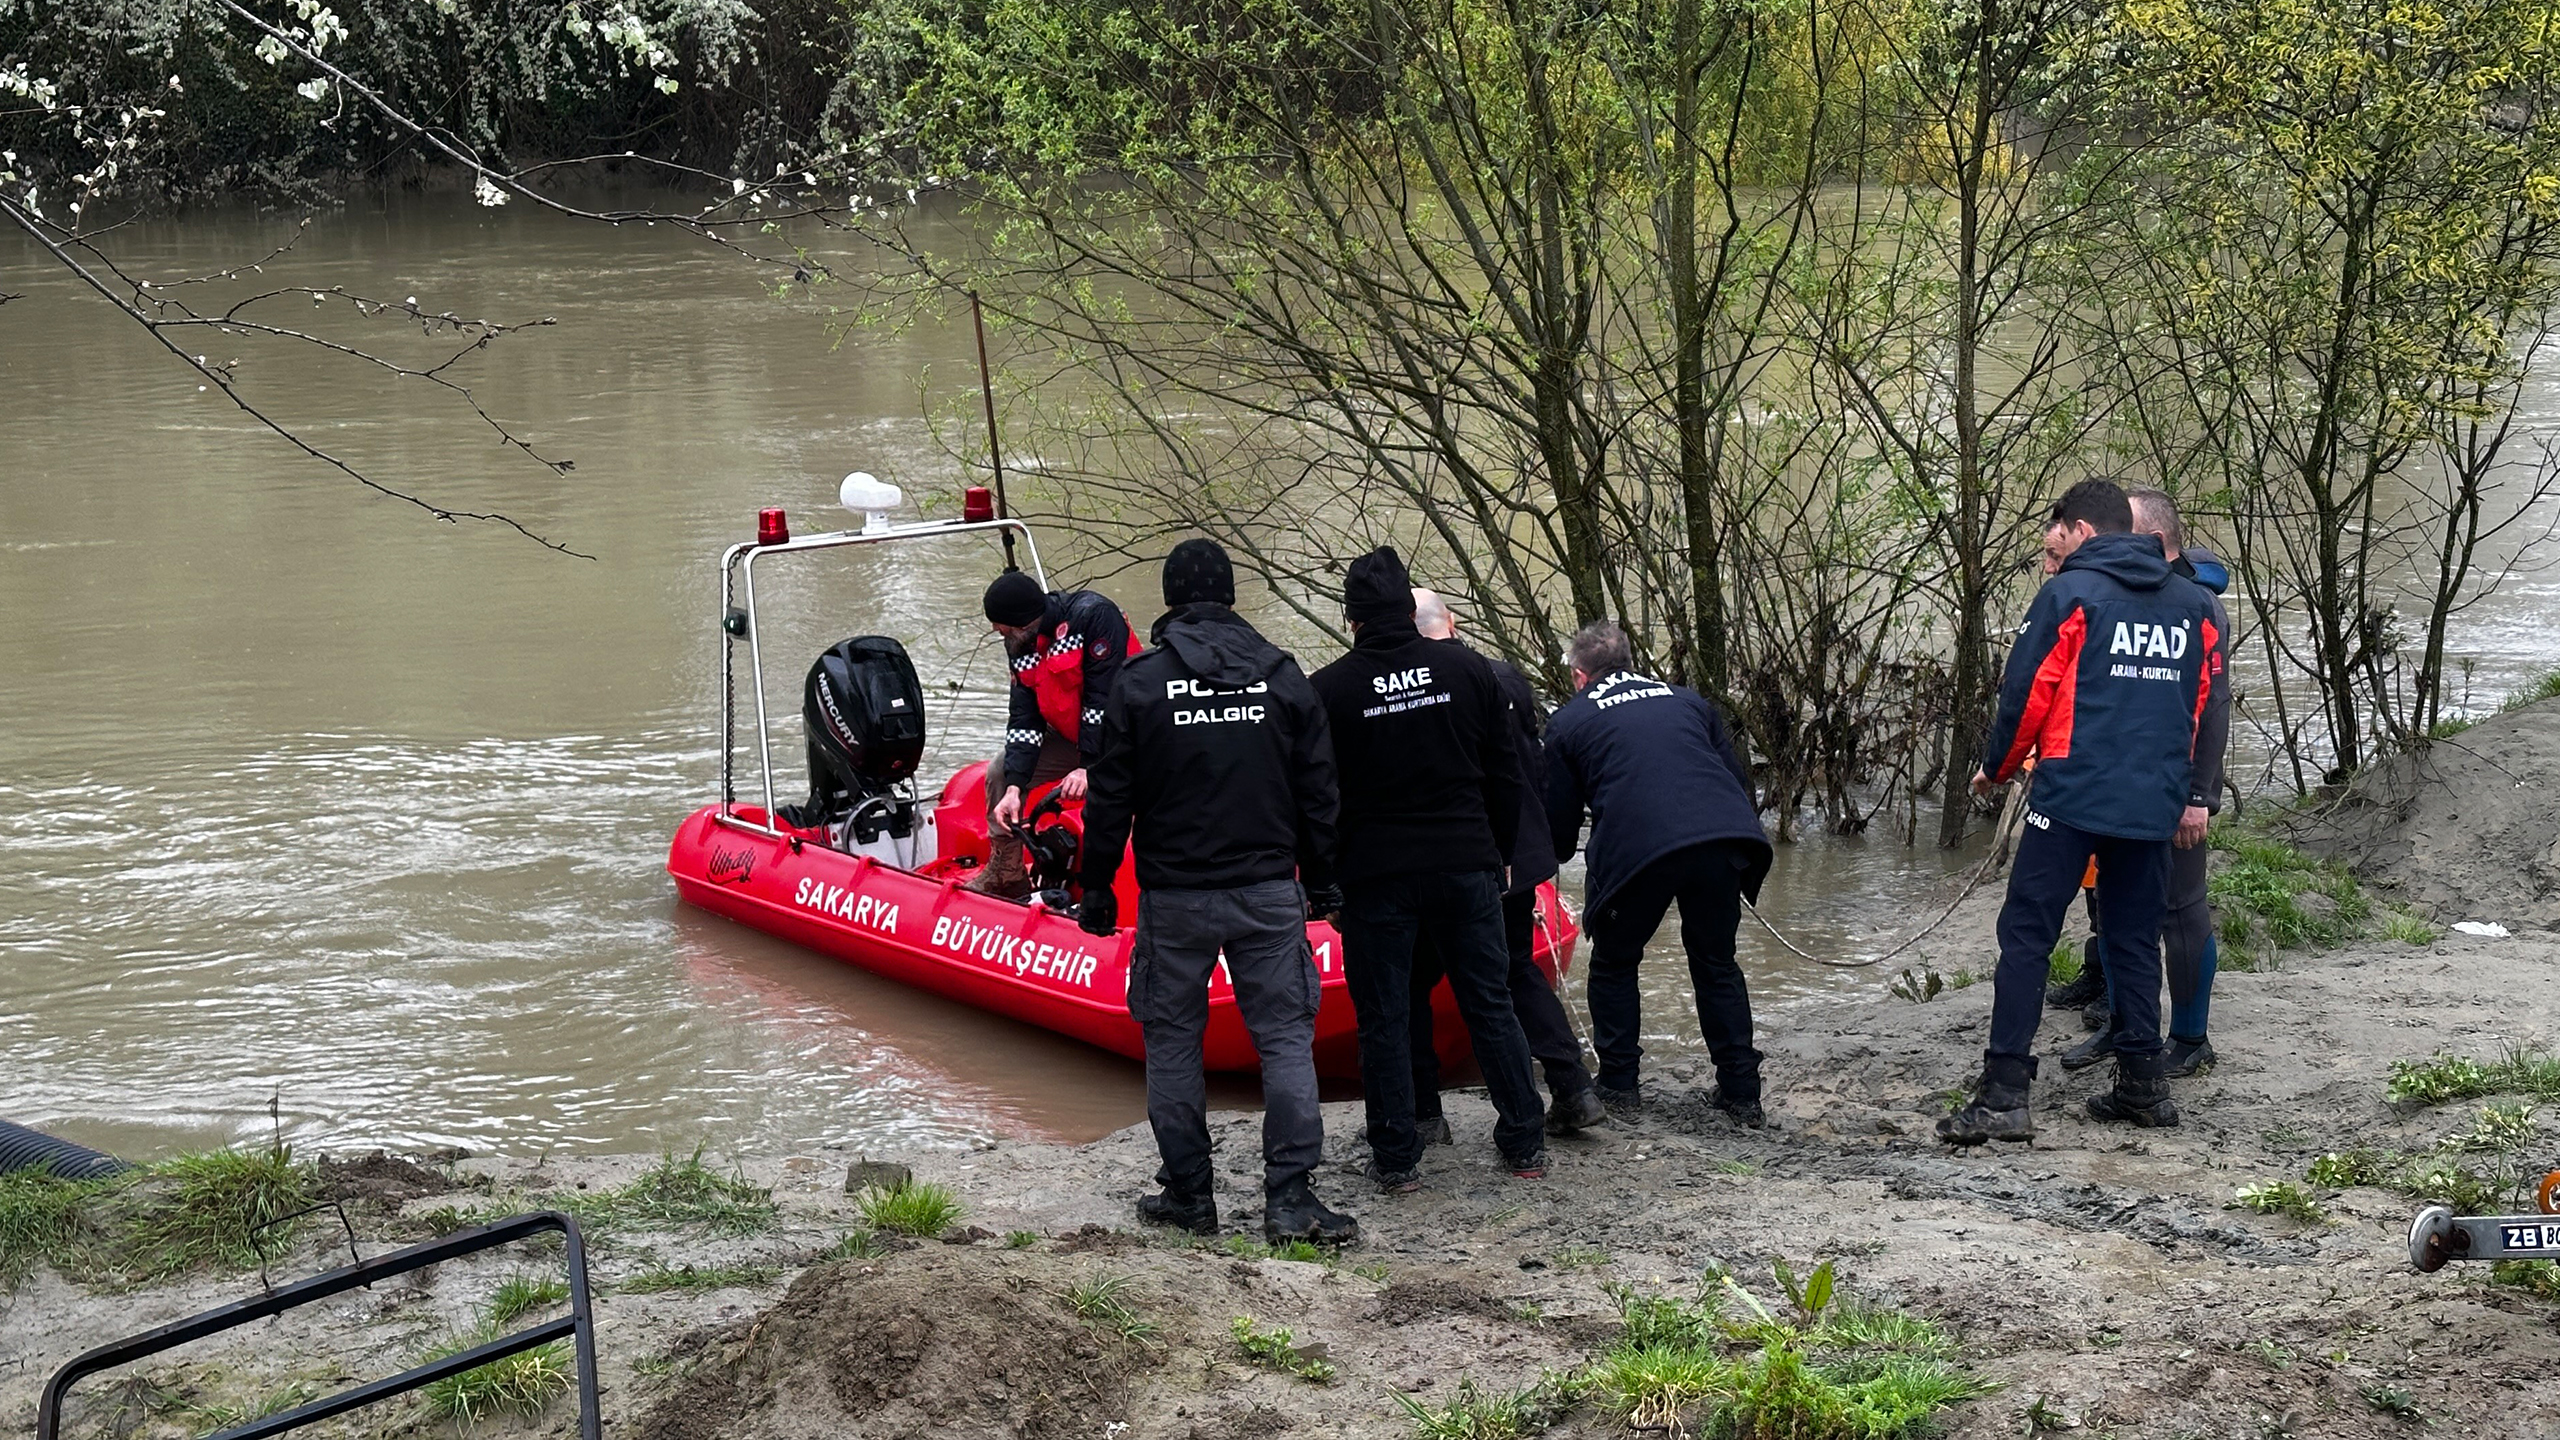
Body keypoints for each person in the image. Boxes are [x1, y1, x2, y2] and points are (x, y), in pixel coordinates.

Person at [1076, 538, 1357, 1245]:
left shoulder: (1141, 684)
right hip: (1267, 891)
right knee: (1285, 1040)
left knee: (1173, 1042)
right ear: (1230, 596)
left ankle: (1189, 1196)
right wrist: (1324, 880)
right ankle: (1290, 1199)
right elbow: (1320, 792)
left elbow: (1109, 799)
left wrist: (1097, 887)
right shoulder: (1282, 676)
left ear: (1170, 600)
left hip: (1175, 898)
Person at [1939, 478, 2220, 1144]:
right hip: (2151, 801)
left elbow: (2027, 691)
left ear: (2083, 531)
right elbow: (2203, 705)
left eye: (2055, 539)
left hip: (2070, 797)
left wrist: (1997, 768)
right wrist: (2187, 791)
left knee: (2027, 937)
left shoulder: (2069, 596)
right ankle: (2143, 1087)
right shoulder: (2195, 606)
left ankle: (2004, 1094)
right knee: (2132, 938)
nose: (2051, 554)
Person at [1311, 548, 1550, 1190]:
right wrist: (1500, 852)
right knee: (1490, 1002)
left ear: (1352, 618)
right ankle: (1524, 1142)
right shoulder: (1468, 668)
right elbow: (1505, 773)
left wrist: (1323, 882)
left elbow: (1315, 798)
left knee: (1384, 1018)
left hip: (1376, 876)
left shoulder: (1328, 689)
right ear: (1407, 609)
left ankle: (1396, 1159)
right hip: (1464, 862)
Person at [1544, 621, 1773, 1125]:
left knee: (1614, 961)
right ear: (1629, 662)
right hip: (1724, 838)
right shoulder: (1688, 701)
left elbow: (1558, 825)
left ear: (1579, 676)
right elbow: (1735, 781)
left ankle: (1619, 1085)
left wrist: (1552, 857)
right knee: (1716, 963)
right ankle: (1742, 1094)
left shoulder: (1568, 720)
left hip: (1640, 849)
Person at [1403, 589, 1607, 1139]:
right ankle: (1572, 1085)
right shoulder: (1503, 676)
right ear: (1452, 621)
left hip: (1457, 856)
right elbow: (1532, 766)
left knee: (1413, 981)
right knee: (1514, 969)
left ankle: (1424, 1114)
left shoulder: (1412, 685)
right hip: (1516, 851)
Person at [2057, 489, 2232, 1079]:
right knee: (2110, 904)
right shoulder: (2111, 591)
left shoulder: (2198, 604)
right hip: (2114, 784)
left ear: (2155, 541)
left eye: (2120, 531)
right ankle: (2126, 1023)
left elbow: (2214, 708)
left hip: (2175, 785)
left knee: (2179, 908)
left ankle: (2190, 1038)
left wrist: (2198, 796)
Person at [973, 569, 1137, 898]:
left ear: (1022, 619)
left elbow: (1103, 701)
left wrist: (1089, 766)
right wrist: (1016, 785)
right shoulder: (1020, 642)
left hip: (1126, 739)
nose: (995, 630)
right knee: (1000, 771)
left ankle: (1127, 885)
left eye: (1000, 623)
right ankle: (1007, 871)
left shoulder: (1095, 618)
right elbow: (1025, 717)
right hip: (1072, 737)